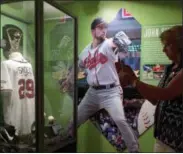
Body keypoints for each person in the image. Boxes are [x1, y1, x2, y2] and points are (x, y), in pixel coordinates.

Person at [65, 17, 139, 152]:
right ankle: (64, 142)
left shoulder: (109, 43)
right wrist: (69, 79)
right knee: (74, 120)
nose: (104, 30)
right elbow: (78, 65)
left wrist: (121, 42)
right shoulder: (85, 51)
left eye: (105, 27)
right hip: (92, 93)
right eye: (100, 27)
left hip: (111, 92)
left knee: (120, 120)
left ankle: (134, 149)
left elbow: (119, 43)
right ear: (93, 31)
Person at [119, 25, 183, 152]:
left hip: (178, 142)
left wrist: (133, 81)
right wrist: (133, 78)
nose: (163, 50)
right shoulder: (170, 69)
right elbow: (155, 99)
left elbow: (167, 94)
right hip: (162, 138)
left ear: (179, 44)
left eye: (167, 45)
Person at [0, 30, 35, 143]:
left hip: (13, 122)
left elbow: (5, 92)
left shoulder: (5, 64)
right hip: (30, 119)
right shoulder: (28, 65)